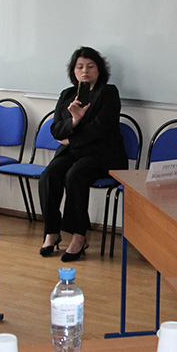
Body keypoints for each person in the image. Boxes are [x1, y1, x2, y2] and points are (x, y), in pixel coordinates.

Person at [38, 47, 127, 262]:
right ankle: (52, 232)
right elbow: (56, 130)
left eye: (90, 66)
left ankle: (79, 236)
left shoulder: (108, 92)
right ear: (74, 71)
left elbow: (101, 129)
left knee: (75, 175)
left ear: (99, 70)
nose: (85, 71)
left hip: (103, 154)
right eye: (80, 67)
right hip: (74, 153)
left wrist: (71, 139)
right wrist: (75, 120)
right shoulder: (67, 95)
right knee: (49, 175)